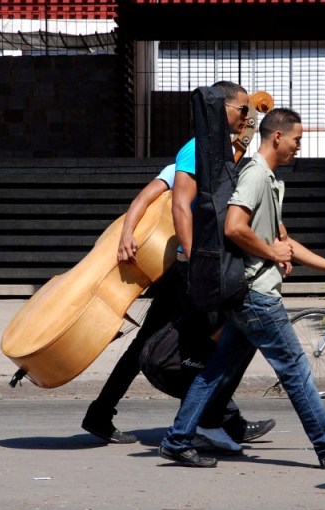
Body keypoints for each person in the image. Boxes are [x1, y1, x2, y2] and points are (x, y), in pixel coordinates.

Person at [159, 107, 325, 469]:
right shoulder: (256, 176)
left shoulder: (271, 179)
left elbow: (285, 244)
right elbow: (234, 226)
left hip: (248, 294)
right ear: (277, 137)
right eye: (297, 140)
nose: (299, 147)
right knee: (295, 369)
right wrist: (269, 253)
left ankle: (177, 439)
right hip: (256, 294)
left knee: (216, 370)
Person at [82, 85, 275, 449]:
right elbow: (170, 203)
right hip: (190, 267)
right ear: (221, 109)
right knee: (216, 340)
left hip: (190, 266)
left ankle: (101, 412)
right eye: (242, 107)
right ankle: (222, 420)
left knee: (157, 341)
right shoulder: (194, 151)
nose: (248, 115)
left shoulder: (219, 152)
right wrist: (187, 254)